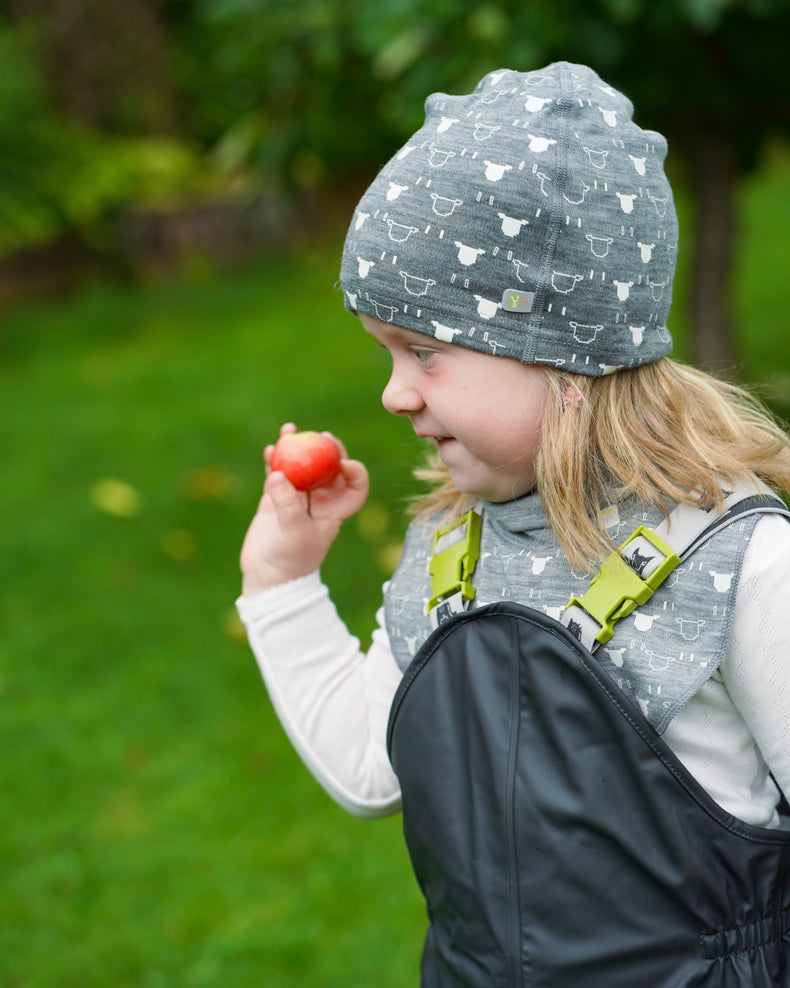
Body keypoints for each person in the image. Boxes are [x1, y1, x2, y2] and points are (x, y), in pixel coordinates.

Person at [237, 63, 790, 985]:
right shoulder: (455, 544)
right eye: (385, 352)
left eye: (424, 352)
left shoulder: (742, 563)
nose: (393, 393)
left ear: (563, 358)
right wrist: (281, 578)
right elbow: (373, 774)